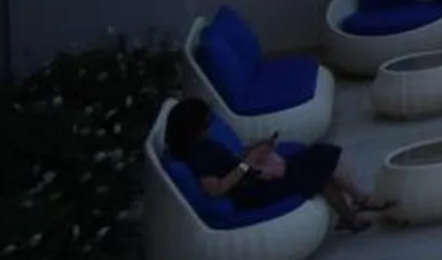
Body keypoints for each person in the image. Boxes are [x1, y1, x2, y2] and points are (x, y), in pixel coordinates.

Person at [162, 96, 391, 230]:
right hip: (253, 192)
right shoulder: (195, 156)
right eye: (207, 121)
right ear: (194, 128)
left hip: (254, 177)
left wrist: (255, 151)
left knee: (319, 161)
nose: (210, 124)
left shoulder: (203, 144)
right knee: (321, 160)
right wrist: (249, 162)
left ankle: (351, 215)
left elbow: (229, 162)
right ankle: (361, 201)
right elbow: (217, 189)